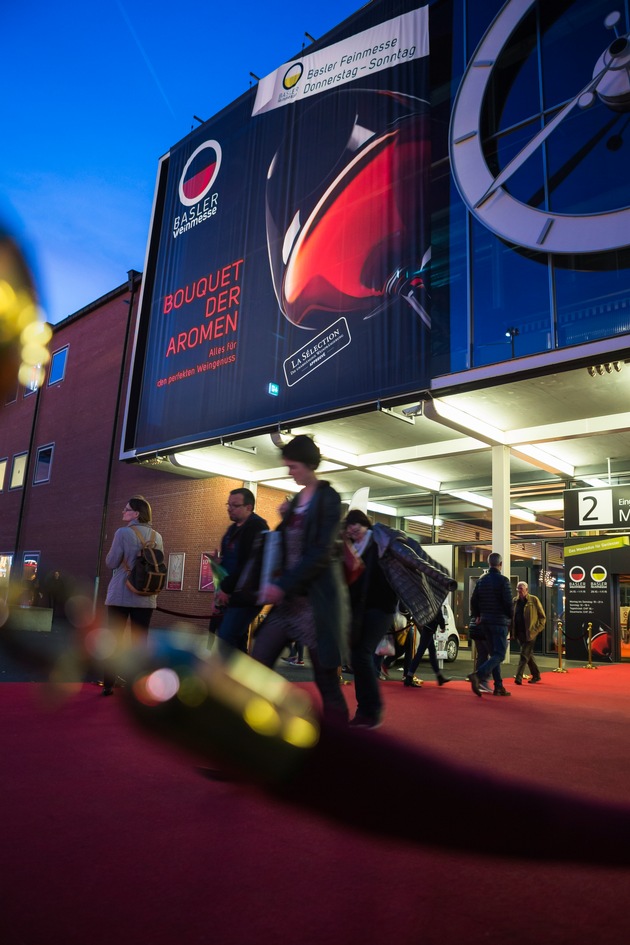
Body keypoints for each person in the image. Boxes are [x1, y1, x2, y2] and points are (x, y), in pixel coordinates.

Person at [253, 435, 349, 723]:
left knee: (326, 680)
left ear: (309, 465)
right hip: (289, 602)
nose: (289, 472)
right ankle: (249, 738)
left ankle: (341, 746)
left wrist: (281, 585)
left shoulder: (328, 499)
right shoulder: (295, 503)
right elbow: (288, 544)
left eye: (293, 467)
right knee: (256, 667)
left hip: (316, 603)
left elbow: (320, 552)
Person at [103, 495, 163, 696]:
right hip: (146, 595)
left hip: (122, 592)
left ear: (136, 514)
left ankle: (109, 683)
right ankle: (138, 683)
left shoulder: (122, 533)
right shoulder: (157, 537)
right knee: (140, 642)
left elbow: (111, 562)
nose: (123, 512)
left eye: (126, 509)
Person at [344, 509, 398, 728]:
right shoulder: (350, 549)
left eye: (357, 524)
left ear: (365, 524)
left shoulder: (378, 544)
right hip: (360, 609)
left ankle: (372, 710)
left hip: (381, 607)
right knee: (358, 657)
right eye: (349, 525)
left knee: (362, 654)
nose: (353, 528)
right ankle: (365, 710)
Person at [212, 488, 269, 654]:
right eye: (228, 504)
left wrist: (226, 588)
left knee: (226, 637)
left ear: (249, 507)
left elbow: (248, 564)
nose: (230, 508)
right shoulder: (232, 529)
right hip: (231, 592)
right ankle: (238, 677)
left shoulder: (257, 528)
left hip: (246, 594)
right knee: (235, 639)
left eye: (235, 505)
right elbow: (232, 562)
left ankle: (229, 677)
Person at [469, 552, 513, 697]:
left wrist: (477, 615)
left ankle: (499, 686)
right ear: (500, 564)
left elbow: (473, 600)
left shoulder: (481, 581)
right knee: (500, 654)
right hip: (499, 622)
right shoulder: (503, 581)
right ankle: (479, 675)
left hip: (485, 622)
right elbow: (507, 602)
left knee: (494, 654)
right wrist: (511, 617)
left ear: (489, 564)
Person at [402, 606, 451, 688]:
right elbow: (439, 615)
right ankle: (409, 677)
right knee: (420, 653)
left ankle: (439, 677)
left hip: (426, 627)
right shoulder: (435, 601)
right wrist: (442, 626)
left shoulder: (427, 600)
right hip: (430, 629)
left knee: (432, 653)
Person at [511, 581, 546, 685]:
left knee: (523, 655)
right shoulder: (515, 601)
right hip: (519, 633)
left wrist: (537, 629)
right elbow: (512, 617)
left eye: (521, 589)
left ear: (526, 590)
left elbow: (542, 617)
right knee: (528, 655)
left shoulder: (534, 600)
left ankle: (518, 677)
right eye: (517, 588)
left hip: (531, 633)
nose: (519, 591)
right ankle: (536, 675)